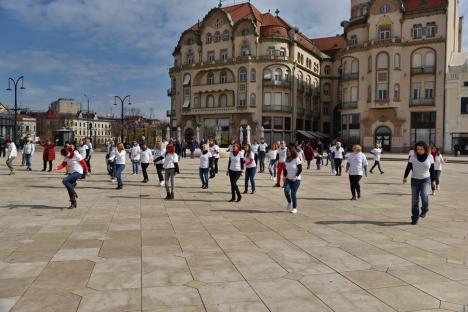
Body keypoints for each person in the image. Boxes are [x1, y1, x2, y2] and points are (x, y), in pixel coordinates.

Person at [403, 141, 436, 225]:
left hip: (425, 179)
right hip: (414, 180)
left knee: (424, 195)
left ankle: (425, 210)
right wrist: (405, 177)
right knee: (414, 200)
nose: (419, 151)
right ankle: (415, 217)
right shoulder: (413, 157)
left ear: (425, 149)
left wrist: (433, 181)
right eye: (418, 149)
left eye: (421, 149)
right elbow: (409, 167)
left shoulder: (430, 157)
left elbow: (432, 170)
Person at [283, 144, 303, 214]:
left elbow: (300, 169)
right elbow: (285, 169)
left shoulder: (296, 158)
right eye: (287, 151)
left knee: (293, 194)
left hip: (296, 179)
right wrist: (284, 176)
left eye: (288, 151)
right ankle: (289, 202)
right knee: (286, 191)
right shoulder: (287, 159)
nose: (287, 152)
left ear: (292, 151)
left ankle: (294, 208)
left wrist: (296, 176)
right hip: (288, 178)